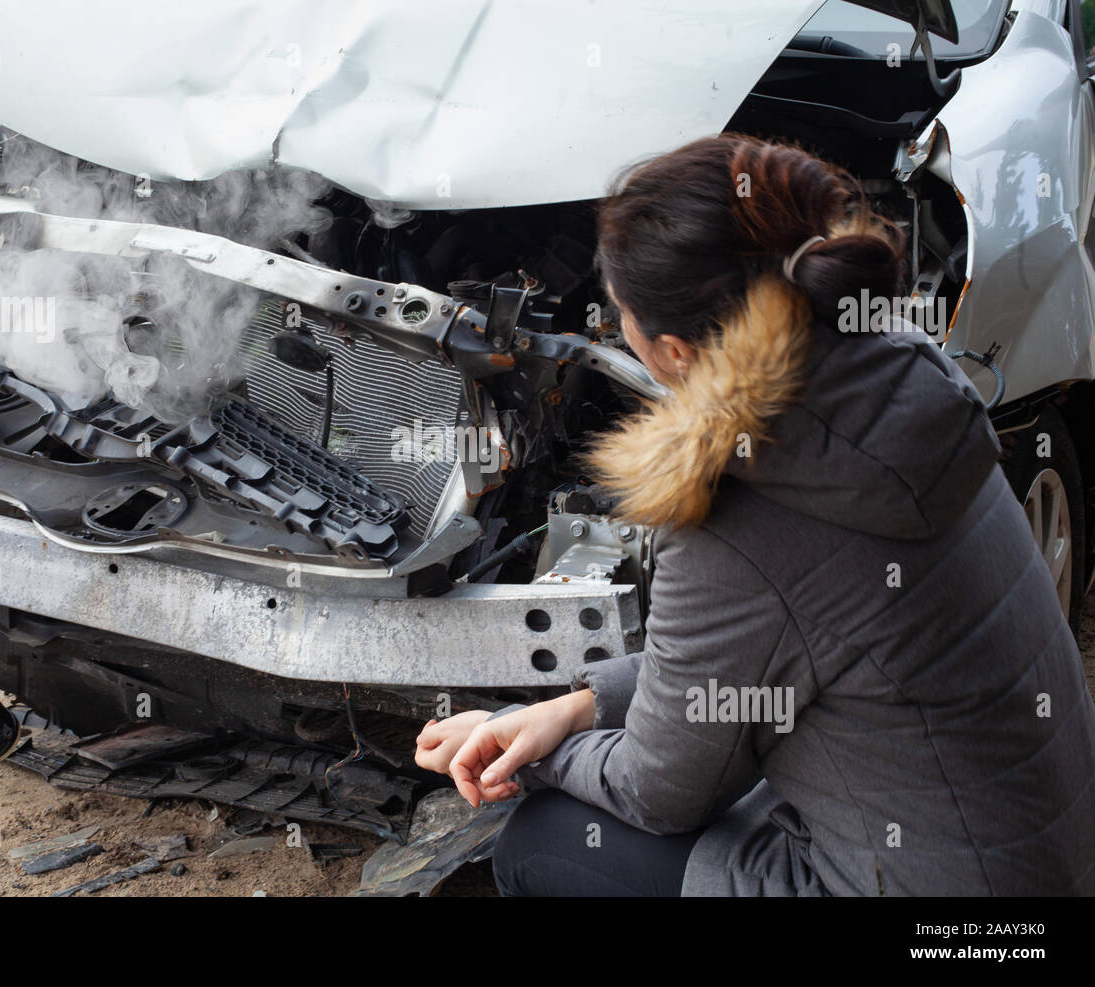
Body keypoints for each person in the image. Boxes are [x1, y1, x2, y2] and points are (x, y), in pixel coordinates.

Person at [414, 135, 1095, 896]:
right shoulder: (901, 365)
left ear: (670, 351)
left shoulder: (735, 513)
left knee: (546, 844)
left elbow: (660, 792)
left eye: (617, 314)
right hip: (1044, 854)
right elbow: (763, 651)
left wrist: (536, 758)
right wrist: (576, 708)